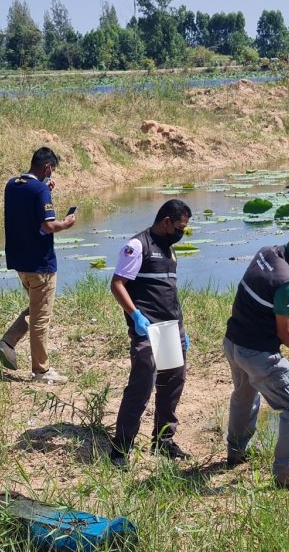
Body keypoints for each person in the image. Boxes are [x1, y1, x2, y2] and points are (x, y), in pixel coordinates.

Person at [223, 223, 289, 490]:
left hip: (233, 343)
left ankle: (235, 453)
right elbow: (284, 333)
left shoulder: (267, 252)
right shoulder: (287, 283)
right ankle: (286, 474)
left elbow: (273, 288)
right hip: (258, 353)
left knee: (244, 396)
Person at [109, 199, 193, 469]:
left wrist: (181, 327)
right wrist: (135, 315)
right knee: (141, 386)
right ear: (166, 221)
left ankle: (163, 441)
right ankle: (120, 449)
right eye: (180, 226)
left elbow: (169, 291)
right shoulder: (137, 246)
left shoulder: (170, 250)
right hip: (147, 328)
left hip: (170, 329)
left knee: (172, 383)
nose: (182, 232)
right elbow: (117, 284)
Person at [0, 147, 76, 383]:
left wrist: (45, 192)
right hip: (41, 264)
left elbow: (27, 208)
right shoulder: (39, 188)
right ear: (48, 168)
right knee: (41, 318)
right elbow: (48, 225)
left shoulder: (12, 184)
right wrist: (67, 223)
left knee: (36, 307)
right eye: (52, 171)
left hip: (20, 262)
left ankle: (8, 342)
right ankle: (41, 370)